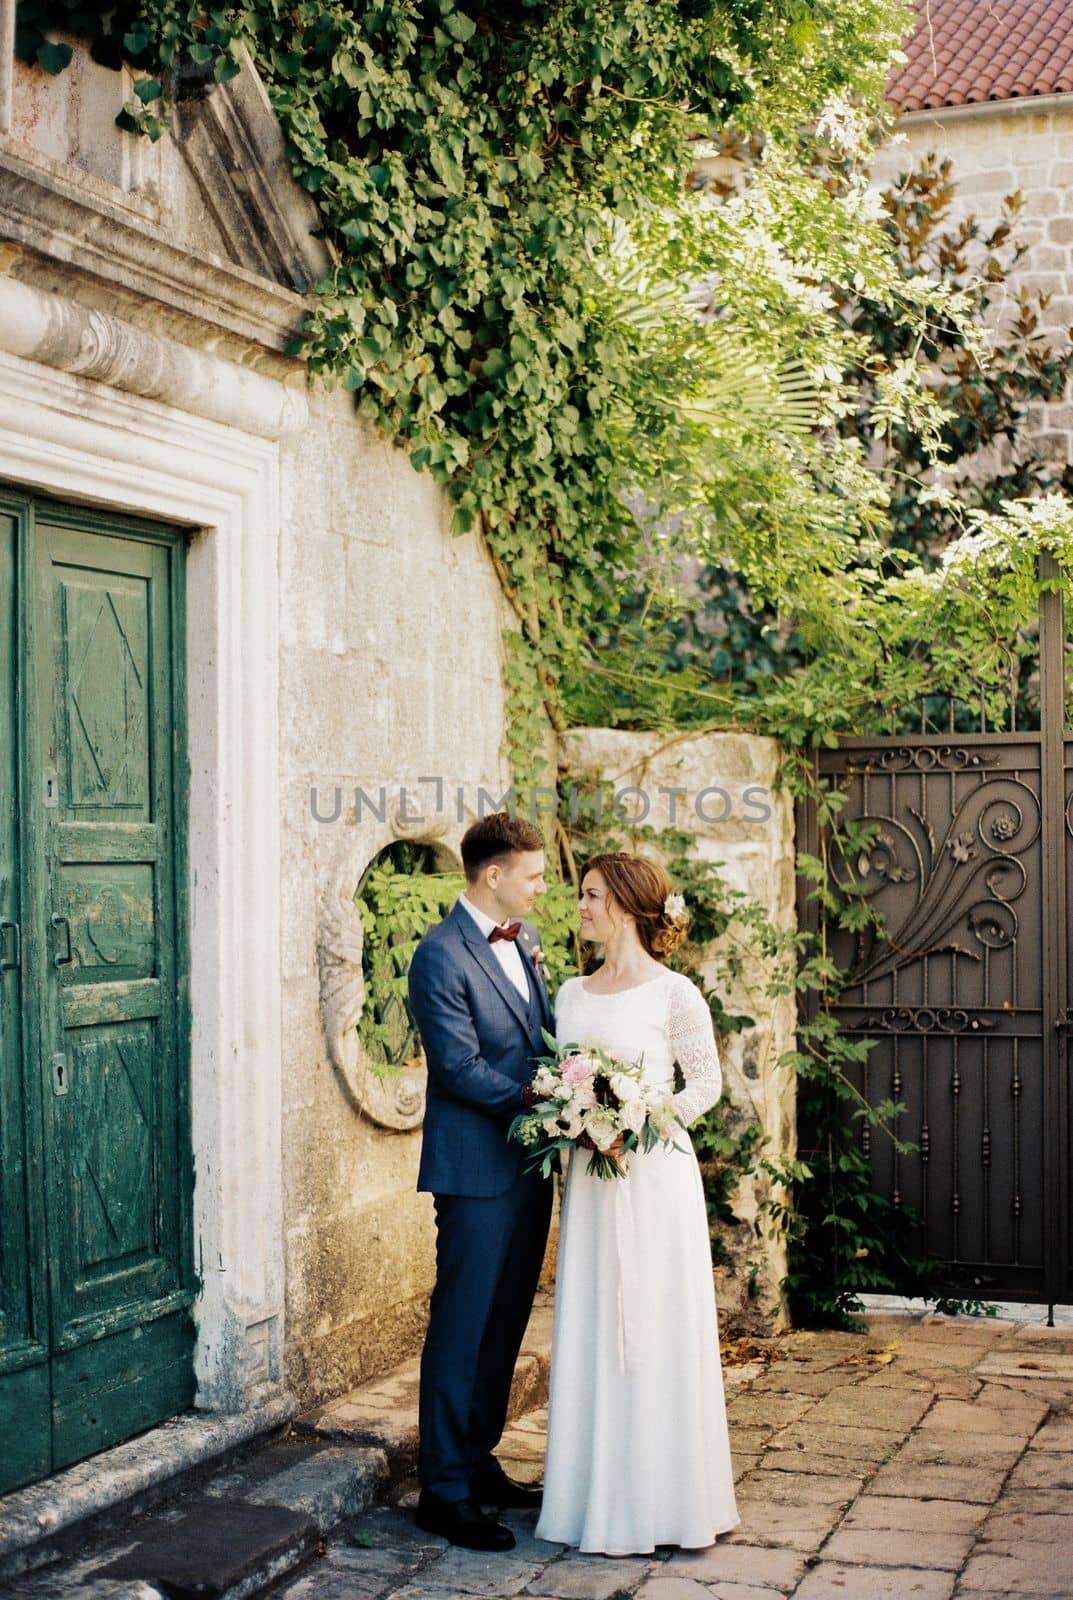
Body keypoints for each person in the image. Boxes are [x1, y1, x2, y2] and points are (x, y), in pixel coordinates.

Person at [535, 851, 740, 1555]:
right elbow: (557, 1083)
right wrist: (575, 1122)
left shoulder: (674, 993)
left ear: (623, 905)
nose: (581, 907)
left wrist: (639, 1118)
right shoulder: (568, 993)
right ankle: (594, 1498)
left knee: (655, 1322)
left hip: (653, 1178)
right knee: (595, 1321)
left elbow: (703, 1084)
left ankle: (668, 1501)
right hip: (590, 1183)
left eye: (591, 896)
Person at [407, 811, 554, 1553]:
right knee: (462, 1328)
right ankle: (443, 1490)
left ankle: (478, 1459)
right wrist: (545, 1100)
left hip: (528, 1165)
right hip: (473, 1170)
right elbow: (459, 1069)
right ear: (491, 875)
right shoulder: (439, 956)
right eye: (531, 873)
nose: (542, 886)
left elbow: (544, 1035)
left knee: (504, 1327)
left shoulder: (524, 942)